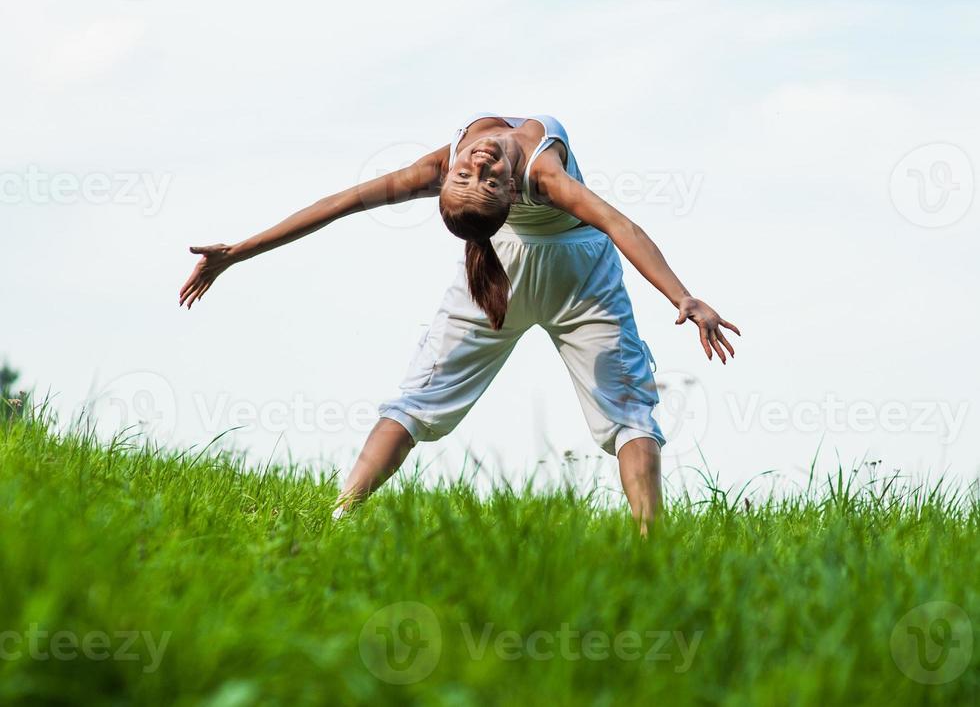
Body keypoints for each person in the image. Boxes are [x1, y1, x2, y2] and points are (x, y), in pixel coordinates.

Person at [179, 113, 739, 531]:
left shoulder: (494, 168)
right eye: (481, 176)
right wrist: (240, 251)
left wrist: (681, 295)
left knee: (626, 411)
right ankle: (341, 512)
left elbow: (342, 201)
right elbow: (343, 203)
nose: (480, 163)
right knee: (421, 399)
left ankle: (652, 541)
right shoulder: (520, 170)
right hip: (556, 272)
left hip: (558, 276)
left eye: (482, 173)